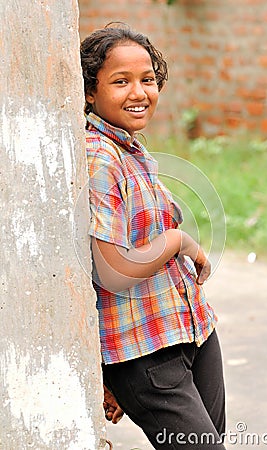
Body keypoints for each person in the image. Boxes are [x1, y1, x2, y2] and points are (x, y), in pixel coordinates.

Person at [80, 23, 226, 449]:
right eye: (120, 81)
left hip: (193, 331)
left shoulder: (130, 148)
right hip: (145, 353)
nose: (139, 92)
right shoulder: (99, 158)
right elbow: (112, 271)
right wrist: (179, 242)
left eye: (147, 79)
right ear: (91, 91)